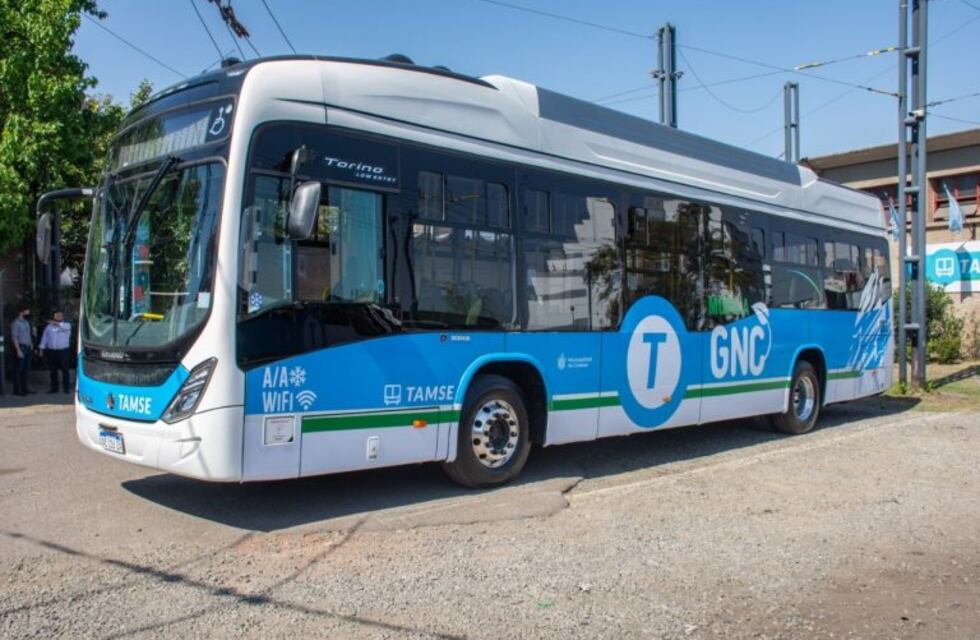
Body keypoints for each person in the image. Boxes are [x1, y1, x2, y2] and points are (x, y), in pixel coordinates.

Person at [39, 311, 72, 394]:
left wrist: (56, 323)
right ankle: (54, 388)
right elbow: (44, 338)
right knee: (53, 370)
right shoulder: (49, 327)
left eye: (59, 316)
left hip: (63, 351)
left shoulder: (66, 325)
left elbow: (65, 327)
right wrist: (41, 349)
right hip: (52, 351)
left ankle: (66, 388)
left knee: (65, 370)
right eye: (56, 316)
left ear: (62, 317)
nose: (57, 317)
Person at [10, 305, 34, 396]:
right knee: (18, 370)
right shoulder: (16, 323)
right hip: (21, 347)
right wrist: (18, 350)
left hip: (27, 347)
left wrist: (31, 344)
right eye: (27, 312)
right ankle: (17, 390)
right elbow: (14, 337)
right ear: (21, 312)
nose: (28, 314)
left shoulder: (26, 322)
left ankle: (25, 388)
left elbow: (28, 334)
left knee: (26, 370)